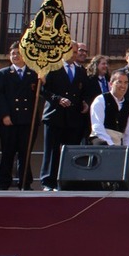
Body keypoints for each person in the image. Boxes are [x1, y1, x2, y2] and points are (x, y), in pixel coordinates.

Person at [39, 43, 91, 191]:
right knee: (52, 151)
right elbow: (44, 89)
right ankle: (49, 182)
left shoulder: (81, 71)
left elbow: (85, 91)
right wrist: (57, 99)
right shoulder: (52, 67)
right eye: (71, 51)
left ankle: (68, 181)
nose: (74, 55)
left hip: (73, 117)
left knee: (71, 151)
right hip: (55, 115)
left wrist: (85, 103)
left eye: (75, 52)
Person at [0, 41, 40, 190]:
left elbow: (38, 95)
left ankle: (25, 183)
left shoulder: (33, 74)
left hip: (27, 121)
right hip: (9, 121)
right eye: (13, 53)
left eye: (18, 53)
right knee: (8, 153)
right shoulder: (4, 73)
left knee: (25, 154)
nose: (15, 56)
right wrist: (4, 115)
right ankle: (3, 183)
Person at [89, 71, 129, 147]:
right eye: (119, 82)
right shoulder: (100, 100)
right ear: (110, 84)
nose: (123, 86)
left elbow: (128, 132)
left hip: (118, 142)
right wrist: (111, 145)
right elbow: (97, 126)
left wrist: (127, 148)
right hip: (101, 140)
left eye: (126, 83)